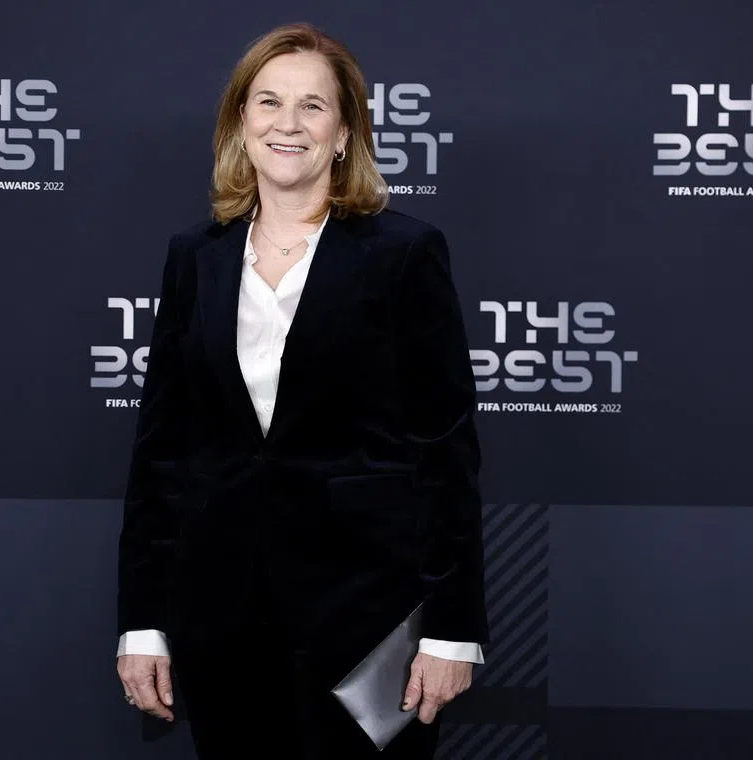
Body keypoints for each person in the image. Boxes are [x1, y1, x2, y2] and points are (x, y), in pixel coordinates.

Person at [115, 22, 488, 760]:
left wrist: (452, 630)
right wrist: (143, 622)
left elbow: (445, 456)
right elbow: (163, 454)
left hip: (367, 621)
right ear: (240, 124)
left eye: (312, 106)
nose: (288, 124)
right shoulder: (196, 257)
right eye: (268, 102)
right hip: (220, 615)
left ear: (344, 133)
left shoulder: (405, 253)